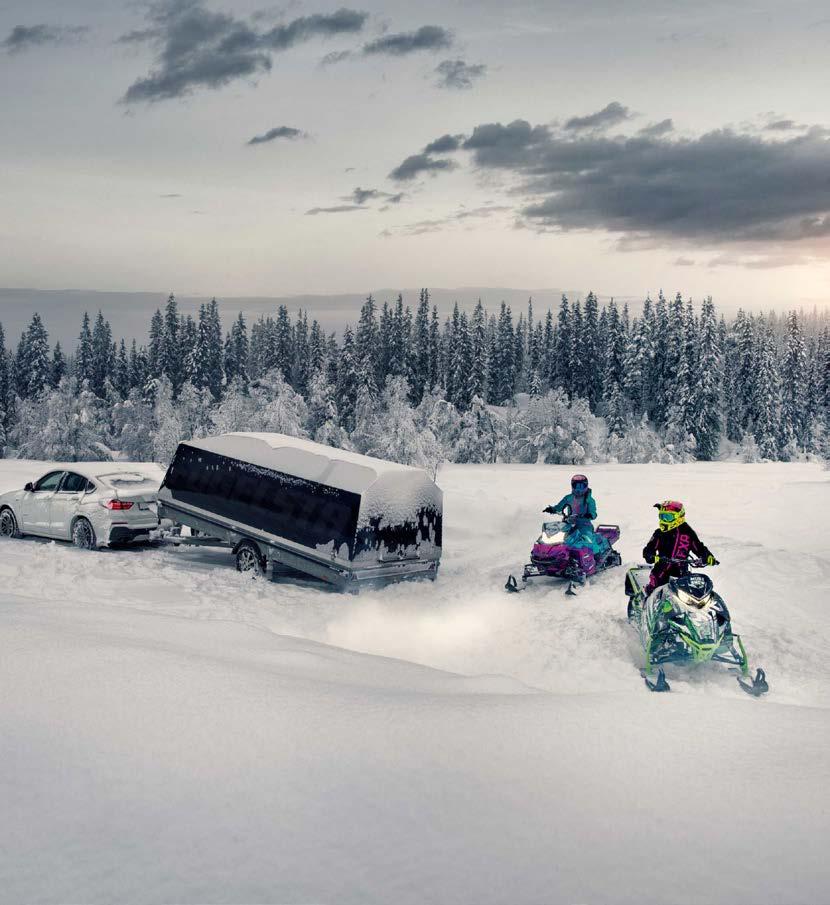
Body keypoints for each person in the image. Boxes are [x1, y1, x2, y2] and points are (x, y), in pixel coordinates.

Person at [642, 500, 718, 595]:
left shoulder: (688, 533)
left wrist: (707, 556)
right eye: (662, 516)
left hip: (681, 572)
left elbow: (699, 547)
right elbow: (649, 548)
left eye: (667, 517)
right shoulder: (659, 533)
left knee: (692, 592)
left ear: (679, 518)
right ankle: (645, 601)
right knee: (655, 587)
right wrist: (650, 555)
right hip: (662, 570)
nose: (663, 520)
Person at [543, 474, 608, 574]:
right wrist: (552, 509)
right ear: (572, 486)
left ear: (586, 486)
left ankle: (597, 558)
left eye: (581, 486)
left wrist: (589, 515)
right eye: (576, 486)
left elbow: (594, 513)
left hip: (584, 524)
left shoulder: (589, 500)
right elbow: (559, 506)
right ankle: (556, 559)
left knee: (587, 540)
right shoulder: (568, 498)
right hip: (569, 523)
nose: (579, 489)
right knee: (559, 540)